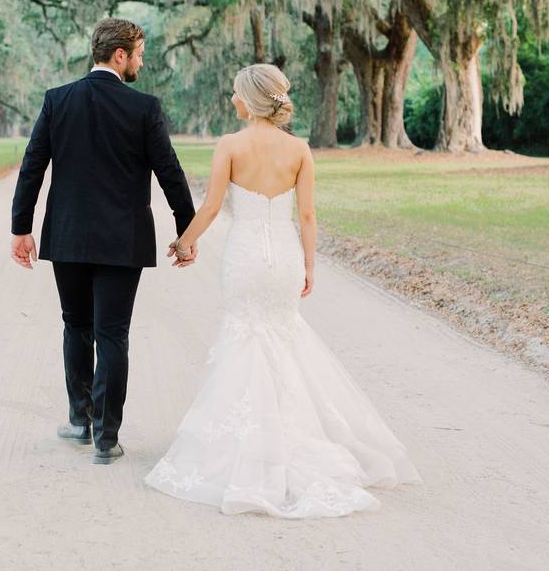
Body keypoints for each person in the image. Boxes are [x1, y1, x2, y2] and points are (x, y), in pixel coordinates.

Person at [143, 63, 423, 517]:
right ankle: (291, 433)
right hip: (285, 261)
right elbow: (308, 216)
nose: (232, 100)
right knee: (283, 339)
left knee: (246, 338)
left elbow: (212, 206)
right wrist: (309, 265)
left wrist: (184, 242)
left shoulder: (231, 145)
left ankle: (253, 444)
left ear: (249, 99)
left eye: (235, 93)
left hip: (246, 259)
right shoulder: (299, 150)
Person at [10, 18, 197, 465]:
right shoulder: (143, 107)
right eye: (139, 52)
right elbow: (169, 172)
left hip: (68, 236)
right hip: (122, 240)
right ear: (120, 55)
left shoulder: (58, 101)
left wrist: (21, 228)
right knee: (112, 334)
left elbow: (31, 167)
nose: (142, 60)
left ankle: (80, 419)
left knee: (76, 325)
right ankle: (105, 439)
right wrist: (186, 231)